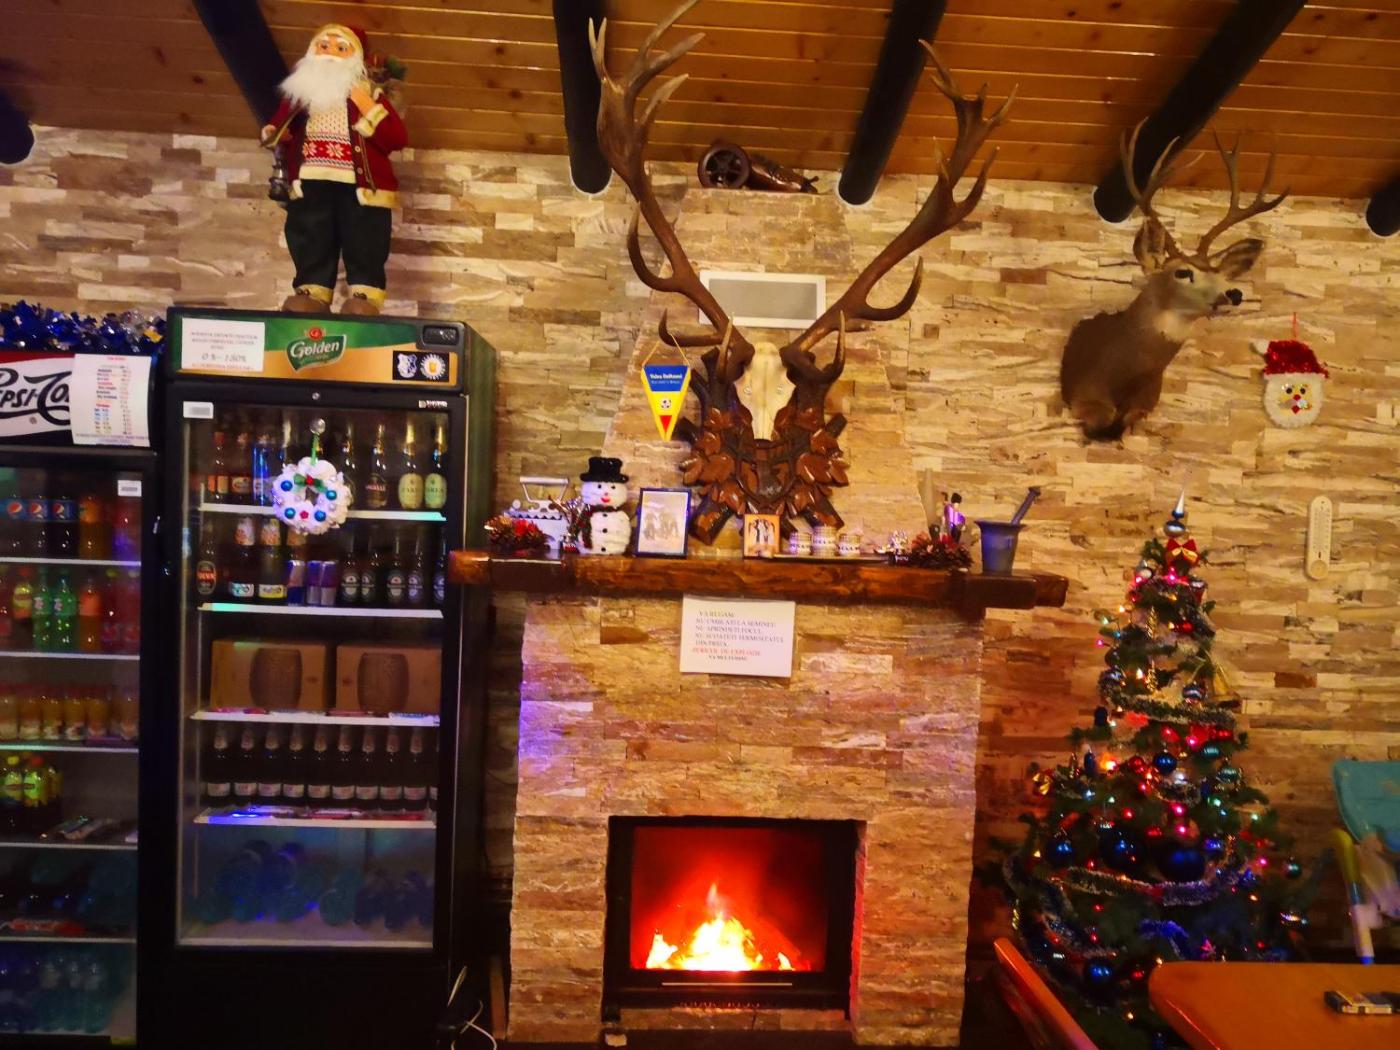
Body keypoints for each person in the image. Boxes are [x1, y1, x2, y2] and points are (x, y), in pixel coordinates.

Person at [260, 24, 406, 316]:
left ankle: (364, 295)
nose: (330, 53)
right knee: (310, 233)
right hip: (310, 177)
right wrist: (274, 133)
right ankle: (312, 291)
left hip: (360, 184)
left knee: (364, 236)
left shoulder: (370, 95)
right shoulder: (300, 95)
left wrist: (366, 105)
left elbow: (396, 138)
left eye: (341, 48)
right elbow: (280, 124)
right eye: (324, 46)